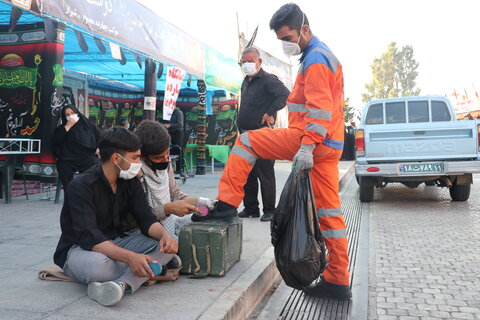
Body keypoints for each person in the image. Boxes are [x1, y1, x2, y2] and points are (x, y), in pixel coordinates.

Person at [192, 3, 351, 300]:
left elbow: (318, 109)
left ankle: (227, 205)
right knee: (329, 214)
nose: (286, 44)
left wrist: (305, 146)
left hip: (310, 141)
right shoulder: (323, 55)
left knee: (246, 142)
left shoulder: (316, 59)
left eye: (288, 37)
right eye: (282, 39)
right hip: (328, 147)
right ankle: (339, 280)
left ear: (304, 28)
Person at [53, 127, 178, 307]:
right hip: (81, 249)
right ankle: (144, 269)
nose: (138, 163)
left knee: (167, 245)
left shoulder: (130, 181)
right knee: (99, 268)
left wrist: (164, 235)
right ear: (116, 158)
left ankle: (121, 285)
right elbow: (90, 236)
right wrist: (129, 257)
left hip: (116, 242)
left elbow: (146, 219)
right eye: (135, 158)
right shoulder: (80, 187)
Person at [133, 120, 215, 240]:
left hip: (170, 221)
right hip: (144, 230)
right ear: (143, 156)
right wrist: (167, 209)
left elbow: (174, 193)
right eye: (158, 158)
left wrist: (199, 201)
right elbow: (137, 217)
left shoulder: (166, 165)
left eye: (167, 153)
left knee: (205, 218)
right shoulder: (135, 174)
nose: (165, 160)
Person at [237, 47, 290, 222]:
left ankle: (269, 210)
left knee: (265, 173)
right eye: (244, 61)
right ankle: (251, 208)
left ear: (259, 61)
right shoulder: (246, 81)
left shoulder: (268, 79)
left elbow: (285, 95)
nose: (247, 64)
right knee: (248, 173)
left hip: (263, 135)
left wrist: (270, 112)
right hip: (246, 135)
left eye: (250, 61)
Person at [52, 104, 100, 189]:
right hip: (68, 158)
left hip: (86, 156)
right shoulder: (62, 128)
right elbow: (56, 141)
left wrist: (99, 148)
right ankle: (70, 194)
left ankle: (92, 192)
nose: (70, 116)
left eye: (72, 113)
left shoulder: (87, 125)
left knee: (96, 165)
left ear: (77, 113)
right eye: (67, 114)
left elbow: (100, 137)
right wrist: (68, 126)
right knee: (63, 168)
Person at [165, 108, 186, 176]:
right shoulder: (168, 113)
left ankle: (180, 168)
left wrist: (170, 125)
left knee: (178, 149)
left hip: (178, 133)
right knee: (171, 150)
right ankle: (173, 168)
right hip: (170, 133)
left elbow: (180, 125)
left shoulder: (178, 112)